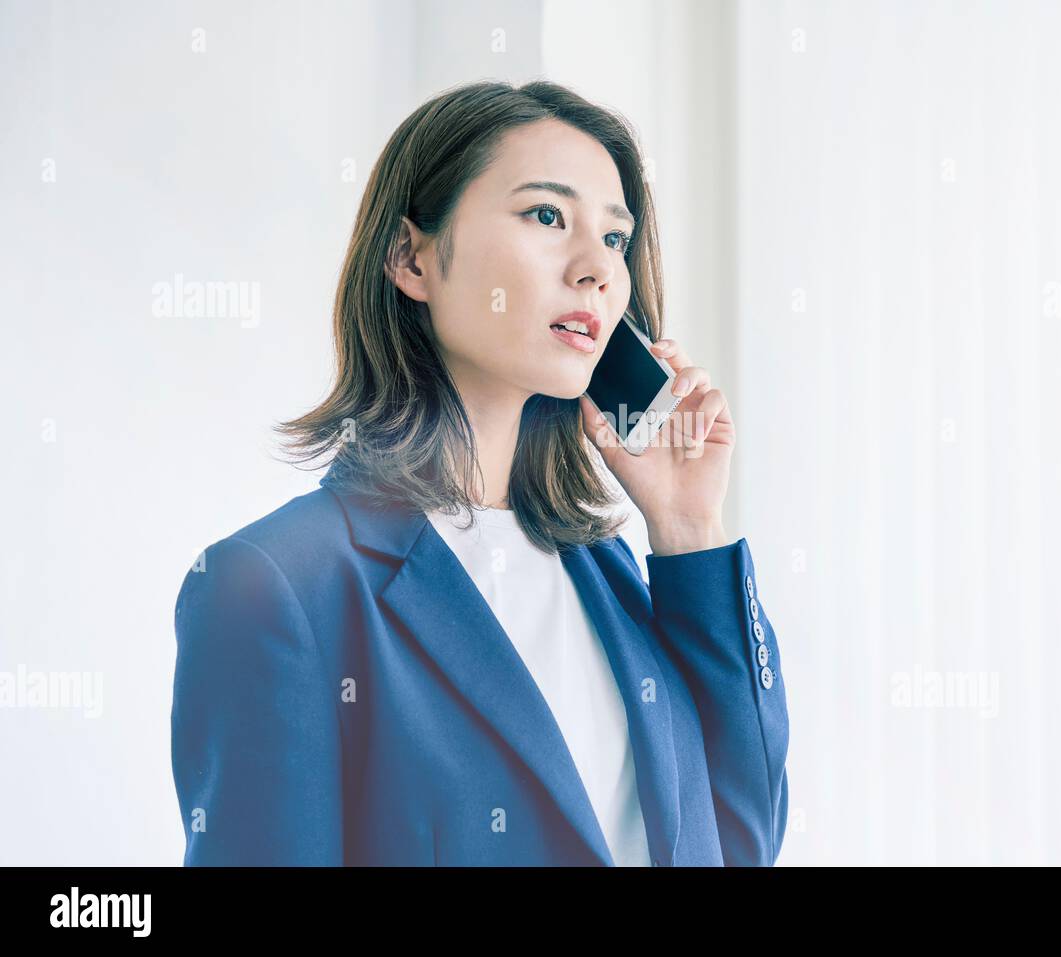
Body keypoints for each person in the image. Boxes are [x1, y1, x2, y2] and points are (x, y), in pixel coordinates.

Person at [169, 80, 789, 866]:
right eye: (546, 215)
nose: (596, 268)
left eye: (615, 239)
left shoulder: (610, 575)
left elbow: (744, 839)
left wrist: (688, 527)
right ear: (411, 258)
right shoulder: (277, 587)